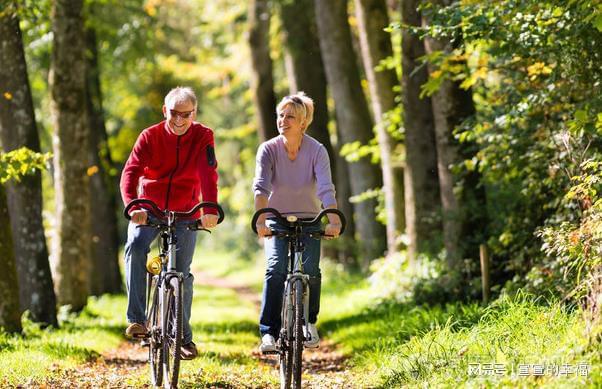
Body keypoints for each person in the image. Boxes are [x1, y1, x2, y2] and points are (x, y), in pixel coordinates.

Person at [120, 86, 219, 360]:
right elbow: (131, 172)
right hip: (148, 208)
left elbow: (208, 172)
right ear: (165, 111)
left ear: (194, 113)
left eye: (186, 115)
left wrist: (209, 208)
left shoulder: (202, 135)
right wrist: (133, 205)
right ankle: (137, 318)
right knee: (136, 246)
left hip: (186, 210)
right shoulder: (149, 136)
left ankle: (183, 338)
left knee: (182, 274)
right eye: (174, 113)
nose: (179, 120)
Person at [252, 92, 342, 352]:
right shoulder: (268, 149)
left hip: (310, 219)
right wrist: (261, 218)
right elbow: (260, 188)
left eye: (290, 116)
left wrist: (333, 219)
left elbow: (326, 188)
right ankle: (268, 333)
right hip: (277, 221)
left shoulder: (317, 150)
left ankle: (309, 323)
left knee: (312, 271)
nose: (283, 120)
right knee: (275, 268)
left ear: (303, 123)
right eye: (281, 115)